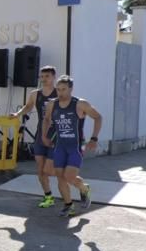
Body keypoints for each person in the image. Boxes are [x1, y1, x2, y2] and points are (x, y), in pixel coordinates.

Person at [41, 75, 102, 218]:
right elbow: (47, 119)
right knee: (60, 177)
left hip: (74, 147)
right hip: (59, 147)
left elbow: (98, 117)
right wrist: (44, 135)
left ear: (71, 89)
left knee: (69, 177)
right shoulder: (52, 104)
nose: (60, 93)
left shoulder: (80, 104)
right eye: (58, 89)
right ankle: (69, 205)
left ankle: (84, 189)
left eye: (63, 89)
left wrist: (94, 138)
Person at [10, 65, 58, 207]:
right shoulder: (35, 94)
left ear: (54, 77)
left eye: (47, 76)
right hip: (40, 135)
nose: (44, 79)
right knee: (40, 169)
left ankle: (77, 183)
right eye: (42, 77)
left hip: (56, 136)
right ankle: (48, 196)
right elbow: (29, 106)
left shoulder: (59, 93)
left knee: (50, 170)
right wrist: (17, 114)